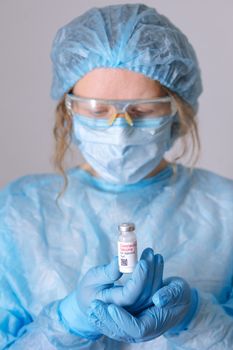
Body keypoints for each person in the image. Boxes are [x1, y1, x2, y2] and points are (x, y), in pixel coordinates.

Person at [0, 3, 233, 349]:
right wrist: (68, 323)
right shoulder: (21, 212)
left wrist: (196, 317)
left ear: (176, 111)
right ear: (69, 107)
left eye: (142, 110)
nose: (119, 129)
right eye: (97, 109)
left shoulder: (225, 209)